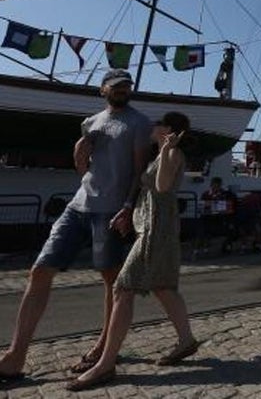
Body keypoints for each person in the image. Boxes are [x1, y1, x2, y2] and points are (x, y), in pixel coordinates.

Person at [0, 69, 150, 386]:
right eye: (116, 86)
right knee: (40, 270)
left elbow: (139, 169)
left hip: (111, 209)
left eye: (126, 86)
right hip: (78, 204)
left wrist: (128, 207)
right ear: (103, 89)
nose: (122, 90)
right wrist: (79, 158)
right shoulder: (90, 122)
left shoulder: (140, 123)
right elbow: (84, 167)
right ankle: (15, 356)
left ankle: (104, 350)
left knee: (111, 281)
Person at [67, 113, 201, 391]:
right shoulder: (162, 154)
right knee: (164, 287)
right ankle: (186, 340)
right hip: (153, 225)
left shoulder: (173, 153)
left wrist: (167, 149)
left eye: (158, 123)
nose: (152, 126)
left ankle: (106, 362)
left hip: (156, 228)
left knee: (122, 288)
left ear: (169, 129)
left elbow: (162, 187)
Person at [198, 176, 238, 255]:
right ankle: (204, 247)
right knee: (203, 228)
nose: (215, 187)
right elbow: (202, 206)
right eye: (214, 185)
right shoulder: (206, 194)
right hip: (209, 217)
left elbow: (230, 205)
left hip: (222, 217)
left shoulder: (225, 194)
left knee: (230, 227)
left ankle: (226, 245)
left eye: (217, 185)